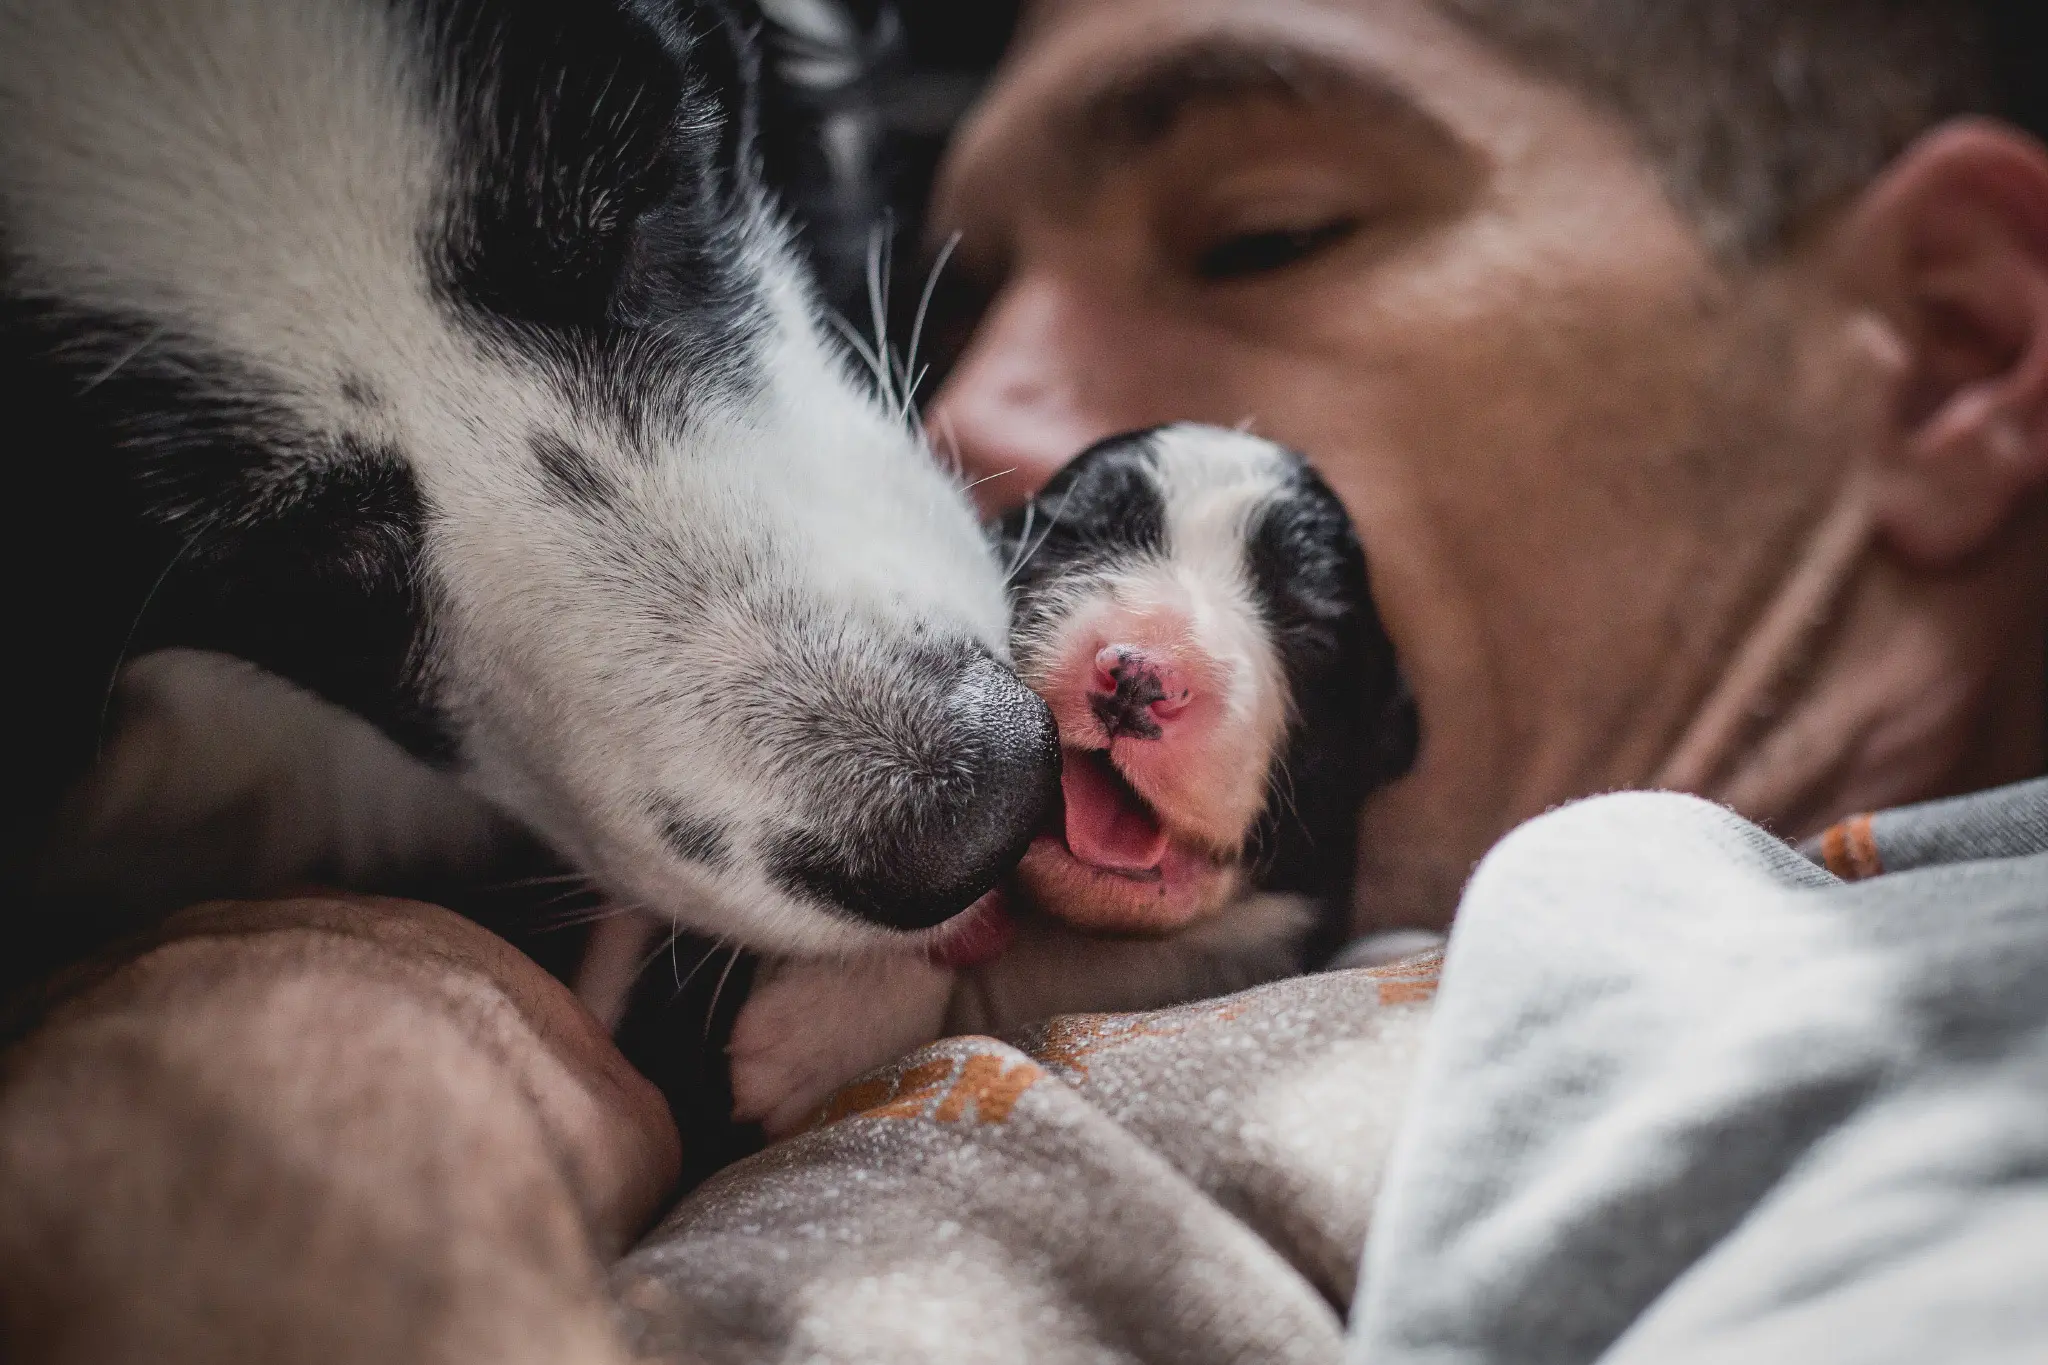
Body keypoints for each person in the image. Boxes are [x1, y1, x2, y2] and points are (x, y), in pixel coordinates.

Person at [3, 0, 2045, 1361]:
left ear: (1944, 342)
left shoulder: (1941, 1048)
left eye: (1263, 232)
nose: (980, 425)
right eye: (964, 294)